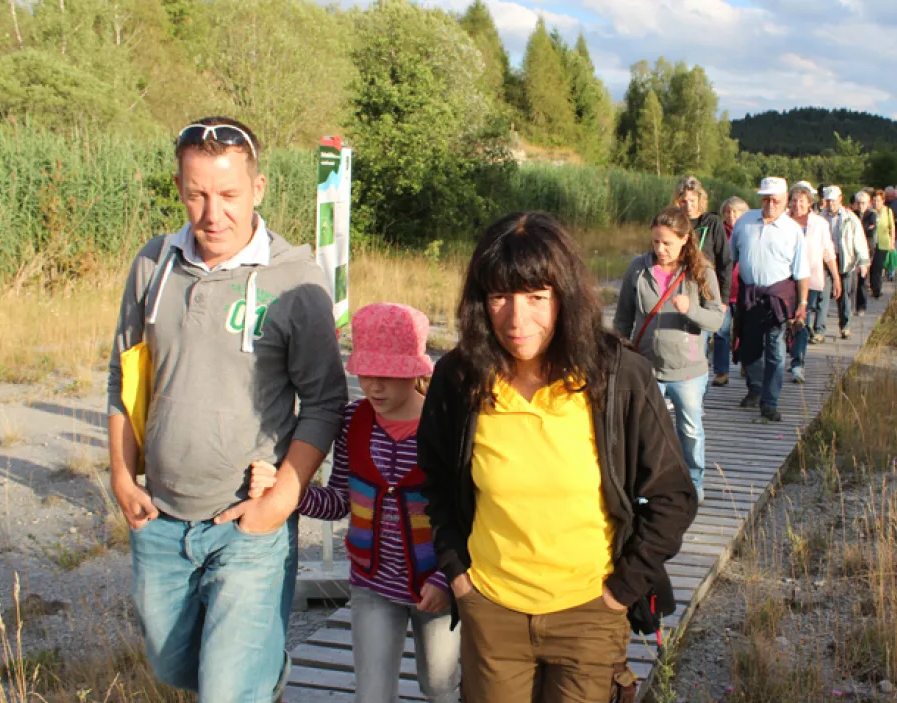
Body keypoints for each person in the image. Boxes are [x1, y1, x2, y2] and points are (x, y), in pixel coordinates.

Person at [106, 116, 347, 701]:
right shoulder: (154, 264)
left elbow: (325, 401)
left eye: (229, 195)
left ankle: (255, 676)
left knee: (226, 691)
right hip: (160, 520)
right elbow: (123, 376)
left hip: (248, 527)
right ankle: (264, 672)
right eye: (197, 195)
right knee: (174, 668)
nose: (213, 214)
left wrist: (281, 499)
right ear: (179, 188)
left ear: (258, 188)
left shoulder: (295, 280)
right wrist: (121, 476)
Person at [418, 212, 698, 703]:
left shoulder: (619, 377)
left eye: (536, 297)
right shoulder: (460, 378)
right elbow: (437, 481)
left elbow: (672, 496)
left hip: (590, 613)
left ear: (565, 297)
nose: (516, 319)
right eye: (499, 296)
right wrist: (458, 574)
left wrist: (620, 591)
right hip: (491, 612)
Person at [250, 303, 459, 703]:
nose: (374, 386)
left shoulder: (444, 426)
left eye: (387, 375)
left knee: (440, 685)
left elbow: (464, 514)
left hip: (437, 585)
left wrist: (445, 579)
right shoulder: (353, 422)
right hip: (372, 584)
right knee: (372, 693)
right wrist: (286, 491)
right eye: (366, 373)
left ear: (415, 371)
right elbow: (338, 502)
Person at [614, 206, 725, 503]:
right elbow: (623, 317)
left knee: (690, 431)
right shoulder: (638, 269)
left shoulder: (702, 271)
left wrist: (691, 310)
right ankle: (645, 489)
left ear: (685, 239)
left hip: (688, 371)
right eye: (655, 242)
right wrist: (619, 350)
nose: (660, 249)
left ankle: (694, 483)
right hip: (646, 368)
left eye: (667, 243)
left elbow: (717, 320)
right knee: (645, 433)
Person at [730, 177, 810, 421]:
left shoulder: (793, 230)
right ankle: (755, 388)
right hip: (749, 296)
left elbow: (801, 272)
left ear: (785, 200)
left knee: (775, 351)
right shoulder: (745, 222)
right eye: (766, 199)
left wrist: (803, 304)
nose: (770, 204)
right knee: (749, 347)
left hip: (778, 299)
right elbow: (731, 258)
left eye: (775, 200)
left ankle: (770, 402)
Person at [786, 183, 838, 384]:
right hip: (785, 279)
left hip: (811, 279)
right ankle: (783, 355)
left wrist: (836, 277)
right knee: (783, 321)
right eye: (794, 200)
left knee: (803, 320)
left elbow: (828, 251)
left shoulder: (819, 224)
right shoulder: (782, 221)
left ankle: (798, 364)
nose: (797, 205)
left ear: (809, 203)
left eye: (802, 201)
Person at [672, 175, 732, 300]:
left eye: (692, 201)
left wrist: (724, 298)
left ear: (699, 199)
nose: (688, 206)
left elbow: (724, 262)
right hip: (680, 286)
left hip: (707, 287)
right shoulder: (674, 223)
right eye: (683, 202)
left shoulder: (712, 222)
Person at [822, 186, 870, 338]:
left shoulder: (850, 218)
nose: (831, 204)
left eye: (833, 201)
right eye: (828, 201)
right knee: (823, 295)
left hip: (845, 259)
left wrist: (863, 261)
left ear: (840, 199)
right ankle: (819, 330)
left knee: (844, 294)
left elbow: (859, 240)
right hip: (826, 260)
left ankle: (845, 326)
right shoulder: (820, 217)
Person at [711, 197, 749, 387]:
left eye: (736, 212)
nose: (731, 215)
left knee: (744, 331)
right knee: (721, 332)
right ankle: (721, 371)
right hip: (722, 290)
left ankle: (745, 363)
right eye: (728, 211)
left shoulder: (748, 231)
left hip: (744, 289)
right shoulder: (718, 233)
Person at [852, 190, 877, 308]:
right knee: (853, 277)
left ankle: (861, 305)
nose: (861, 206)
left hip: (867, 248)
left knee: (863, 276)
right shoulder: (852, 214)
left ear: (868, 203)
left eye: (863, 203)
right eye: (859, 203)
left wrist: (861, 229)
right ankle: (851, 303)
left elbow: (871, 230)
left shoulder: (872, 215)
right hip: (853, 248)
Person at [871, 189, 897, 289]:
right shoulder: (870, 211)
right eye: (874, 200)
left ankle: (877, 288)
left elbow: (892, 227)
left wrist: (892, 242)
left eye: (878, 200)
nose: (876, 203)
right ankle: (873, 285)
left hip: (883, 243)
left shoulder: (887, 211)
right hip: (871, 243)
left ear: (883, 201)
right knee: (872, 266)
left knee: (878, 266)